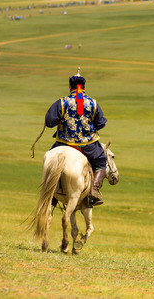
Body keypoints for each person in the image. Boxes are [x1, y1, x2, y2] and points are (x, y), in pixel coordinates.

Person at [45, 67, 108, 207]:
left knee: (50, 160)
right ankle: (94, 190)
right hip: (88, 145)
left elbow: (49, 122)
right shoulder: (93, 103)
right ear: (84, 87)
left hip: (63, 143)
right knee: (102, 161)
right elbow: (100, 123)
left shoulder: (62, 102)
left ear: (70, 87)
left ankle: (51, 191)